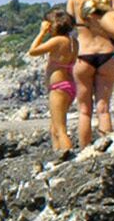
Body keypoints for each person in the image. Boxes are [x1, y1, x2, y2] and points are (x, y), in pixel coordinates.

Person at [67, 0, 114, 147]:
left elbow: (68, 22)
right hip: (106, 52)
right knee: (104, 108)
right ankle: (108, 148)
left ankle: (84, 151)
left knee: (84, 110)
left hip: (84, 54)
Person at [27, 8, 78, 154]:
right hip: (68, 85)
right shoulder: (73, 41)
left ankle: (69, 159)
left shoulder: (58, 41)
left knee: (61, 129)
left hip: (58, 87)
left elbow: (33, 51)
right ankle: (57, 154)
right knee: (54, 127)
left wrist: (42, 32)